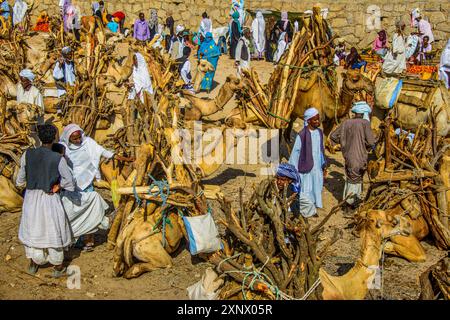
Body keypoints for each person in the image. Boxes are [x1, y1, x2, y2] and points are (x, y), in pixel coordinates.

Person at [58, 124, 130, 250]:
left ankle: (88, 241)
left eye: (79, 137)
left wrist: (125, 158)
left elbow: (103, 152)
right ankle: (74, 237)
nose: (78, 140)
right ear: (68, 138)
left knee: (89, 212)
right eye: (74, 139)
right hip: (70, 185)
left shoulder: (88, 143)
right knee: (72, 212)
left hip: (86, 183)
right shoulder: (63, 148)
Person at [16, 124, 74, 277]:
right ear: (55, 137)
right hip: (49, 199)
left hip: (31, 198)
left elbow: (19, 180)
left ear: (39, 138)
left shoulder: (27, 154)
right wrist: (57, 187)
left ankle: (34, 264)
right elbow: (69, 181)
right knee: (52, 229)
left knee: (33, 227)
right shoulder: (58, 159)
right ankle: (57, 267)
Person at [330, 102, 376, 216]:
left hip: (348, 156)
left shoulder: (346, 123)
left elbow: (333, 136)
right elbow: (371, 142)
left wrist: (344, 143)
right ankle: (349, 207)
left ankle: (350, 203)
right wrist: (366, 145)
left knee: (351, 178)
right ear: (364, 113)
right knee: (354, 180)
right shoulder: (365, 123)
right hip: (359, 157)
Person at [289, 107, 327, 217]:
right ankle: (307, 211)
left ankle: (313, 208)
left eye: (318, 119)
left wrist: (324, 164)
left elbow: (320, 150)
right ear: (308, 120)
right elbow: (295, 152)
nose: (318, 122)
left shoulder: (319, 132)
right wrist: (293, 170)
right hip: (306, 167)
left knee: (317, 187)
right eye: (315, 120)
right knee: (307, 189)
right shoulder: (302, 134)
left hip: (317, 167)